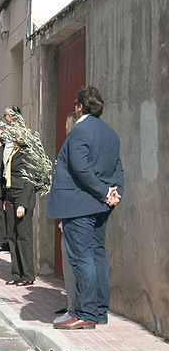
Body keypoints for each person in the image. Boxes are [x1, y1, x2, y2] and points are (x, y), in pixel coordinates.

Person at [49, 86, 124, 330]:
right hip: (100, 205)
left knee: (83, 258)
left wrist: (105, 192)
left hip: (80, 204)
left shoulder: (80, 130)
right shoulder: (110, 132)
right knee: (97, 255)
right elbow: (117, 168)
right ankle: (99, 311)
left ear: (80, 106)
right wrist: (115, 192)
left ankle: (86, 313)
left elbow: (81, 169)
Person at [4, 119, 36, 287]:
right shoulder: (15, 150)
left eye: (15, 133)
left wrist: (22, 204)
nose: (12, 135)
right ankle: (16, 273)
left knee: (23, 236)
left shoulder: (29, 152)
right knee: (12, 235)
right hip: (11, 195)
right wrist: (6, 199)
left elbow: (29, 180)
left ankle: (27, 274)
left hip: (22, 197)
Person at [54, 112, 79, 324]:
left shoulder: (72, 147)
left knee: (71, 264)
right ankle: (72, 304)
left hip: (73, 214)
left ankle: (73, 309)